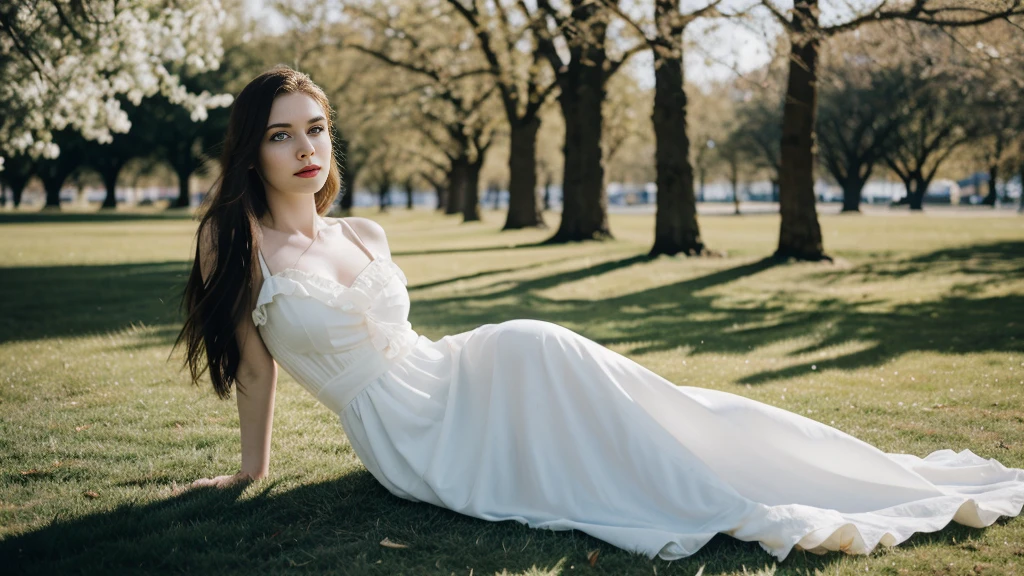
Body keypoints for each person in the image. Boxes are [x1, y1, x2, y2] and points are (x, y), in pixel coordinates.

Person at [173, 66, 1024, 562]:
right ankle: (715, 487)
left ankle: (778, 467)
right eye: (284, 135)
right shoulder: (232, 241)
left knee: (636, 395)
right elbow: (254, 366)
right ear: (251, 146)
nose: (307, 149)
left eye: (316, 129)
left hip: (461, 370)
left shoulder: (364, 229)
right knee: (567, 390)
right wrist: (252, 471)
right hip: (408, 434)